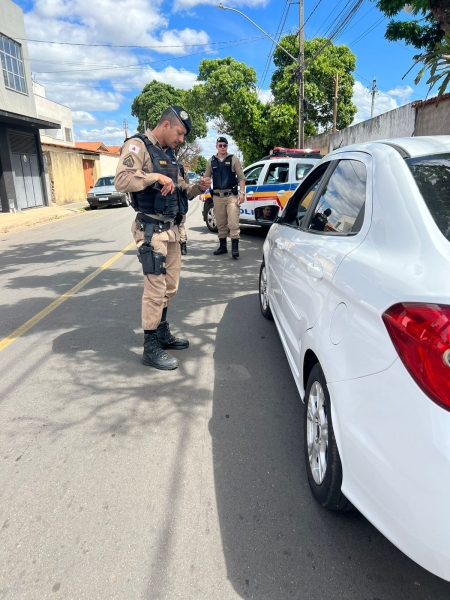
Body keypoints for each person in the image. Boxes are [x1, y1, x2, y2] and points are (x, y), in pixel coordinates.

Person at [115, 106, 210, 370]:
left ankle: (162, 332)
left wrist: (195, 188)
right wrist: (151, 176)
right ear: (166, 125)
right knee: (155, 291)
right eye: (180, 133)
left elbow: (181, 189)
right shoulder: (137, 146)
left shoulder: (169, 155)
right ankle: (150, 346)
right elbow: (122, 180)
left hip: (172, 230)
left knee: (170, 288)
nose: (181, 139)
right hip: (151, 230)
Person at [203, 137, 245, 259]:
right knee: (220, 223)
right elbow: (206, 178)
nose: (222, 148)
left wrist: (242, 193)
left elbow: (241, 178)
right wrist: (201, 191)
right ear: (216, 146)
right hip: (217, 197)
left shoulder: (233, 159)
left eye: (224, 145)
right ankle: (223, 246)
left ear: (227, 146)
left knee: (233, 222)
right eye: (220, 145)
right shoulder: (211, 161)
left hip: (231, 196)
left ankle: (235, 248)